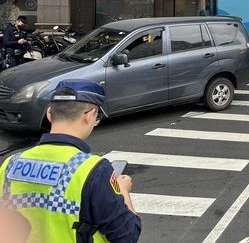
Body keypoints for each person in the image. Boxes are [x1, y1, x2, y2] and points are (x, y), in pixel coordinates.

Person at [0, 80, 142, 243]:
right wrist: (123, 192)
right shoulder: (93, 170)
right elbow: (127, 236)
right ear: (89, 116)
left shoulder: (10, 164)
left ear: (49, 114)